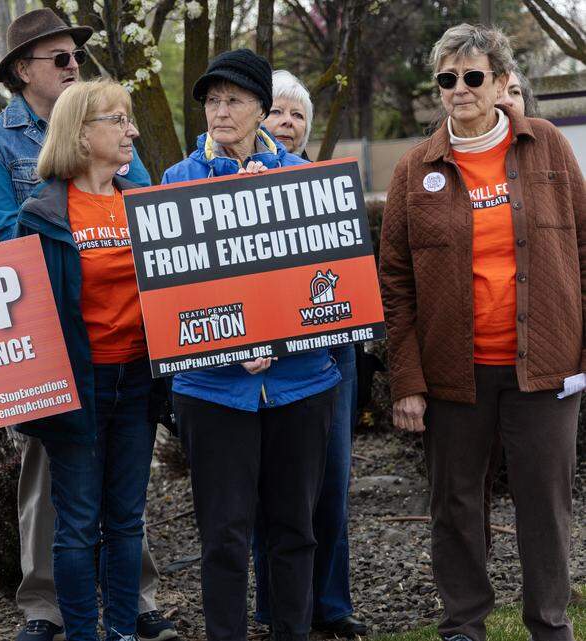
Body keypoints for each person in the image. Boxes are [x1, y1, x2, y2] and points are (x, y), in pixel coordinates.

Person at [0, 9, 177, 641]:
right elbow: (1, 246)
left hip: (135, 376)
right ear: (22, 70)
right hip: (68, 368)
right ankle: (54, 615)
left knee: (124, 512)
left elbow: (161, 225)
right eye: (58, 58)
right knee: (65, 513)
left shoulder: (124, 175)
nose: (71, 64)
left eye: (74, 57)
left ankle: (130, 613)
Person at [379, 23, 584, 641]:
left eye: (473, 76)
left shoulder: (546, 146)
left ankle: (549, 625)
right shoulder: (416, 170)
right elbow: (395, 282)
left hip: (544, 366)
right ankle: (464, 625)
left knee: (545, 508)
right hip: (453, 373)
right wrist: (407, 380)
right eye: (448, 78)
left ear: (500, 83)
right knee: (456, 507)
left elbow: (585, 246)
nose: (460, 89)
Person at [162, 49, 342, 641]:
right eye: (212, 101)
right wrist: (228, 343)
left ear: (263, 109)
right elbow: (173, 295)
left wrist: (282, 338)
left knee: (295, 527)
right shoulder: (177, 183)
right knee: (224, 534)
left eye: (233, 100)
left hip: (300, 382)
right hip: (213, 390)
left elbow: (330, 285)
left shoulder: (300, 177)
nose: (219, 111)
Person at [13, 78, 155, 641]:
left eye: (130, 118)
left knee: (125, 522)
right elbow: (22, 305)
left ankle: (120, 630)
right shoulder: (42, 213)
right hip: (78, 385)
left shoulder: (144, 207)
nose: (133, 131)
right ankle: (81, 634)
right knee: (76, 526)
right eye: (117, 120)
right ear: (80, 131)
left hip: (139, 381)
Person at [253, 69, 369, 639]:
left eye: (299, 115)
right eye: (278, 113)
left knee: (332, 483)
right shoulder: (229, 185)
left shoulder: (325, 188)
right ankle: (277, 608)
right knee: (272, 489)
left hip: (332, 354)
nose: (289, 124)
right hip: (264, 361)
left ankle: (332, 603)